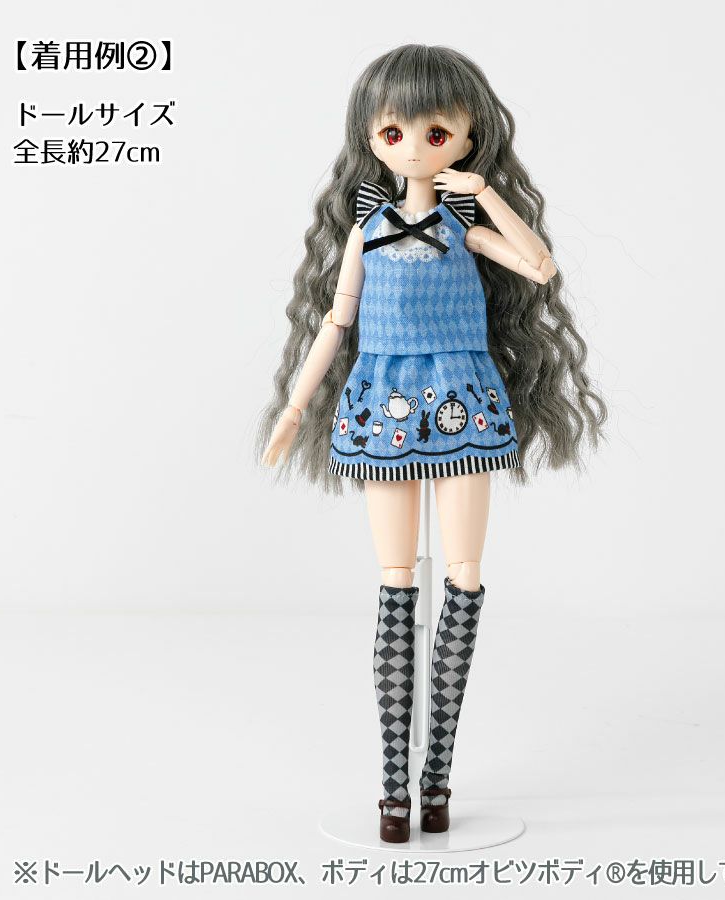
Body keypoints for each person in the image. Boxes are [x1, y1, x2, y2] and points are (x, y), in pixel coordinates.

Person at [256, 44, 606, 843]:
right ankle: (393, 786)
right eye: (394, 132)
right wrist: (295, 405)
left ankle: (436, 776)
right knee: (395, 583)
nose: (413, 146)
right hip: (381, 402)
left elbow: (539, 266)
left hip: (461, 400)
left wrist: (486, 197)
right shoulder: (367, 229)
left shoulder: (463, 223)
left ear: (470, 137)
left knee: (463, 577)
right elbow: (336, 321)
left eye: (436, 133)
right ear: (371, 138)